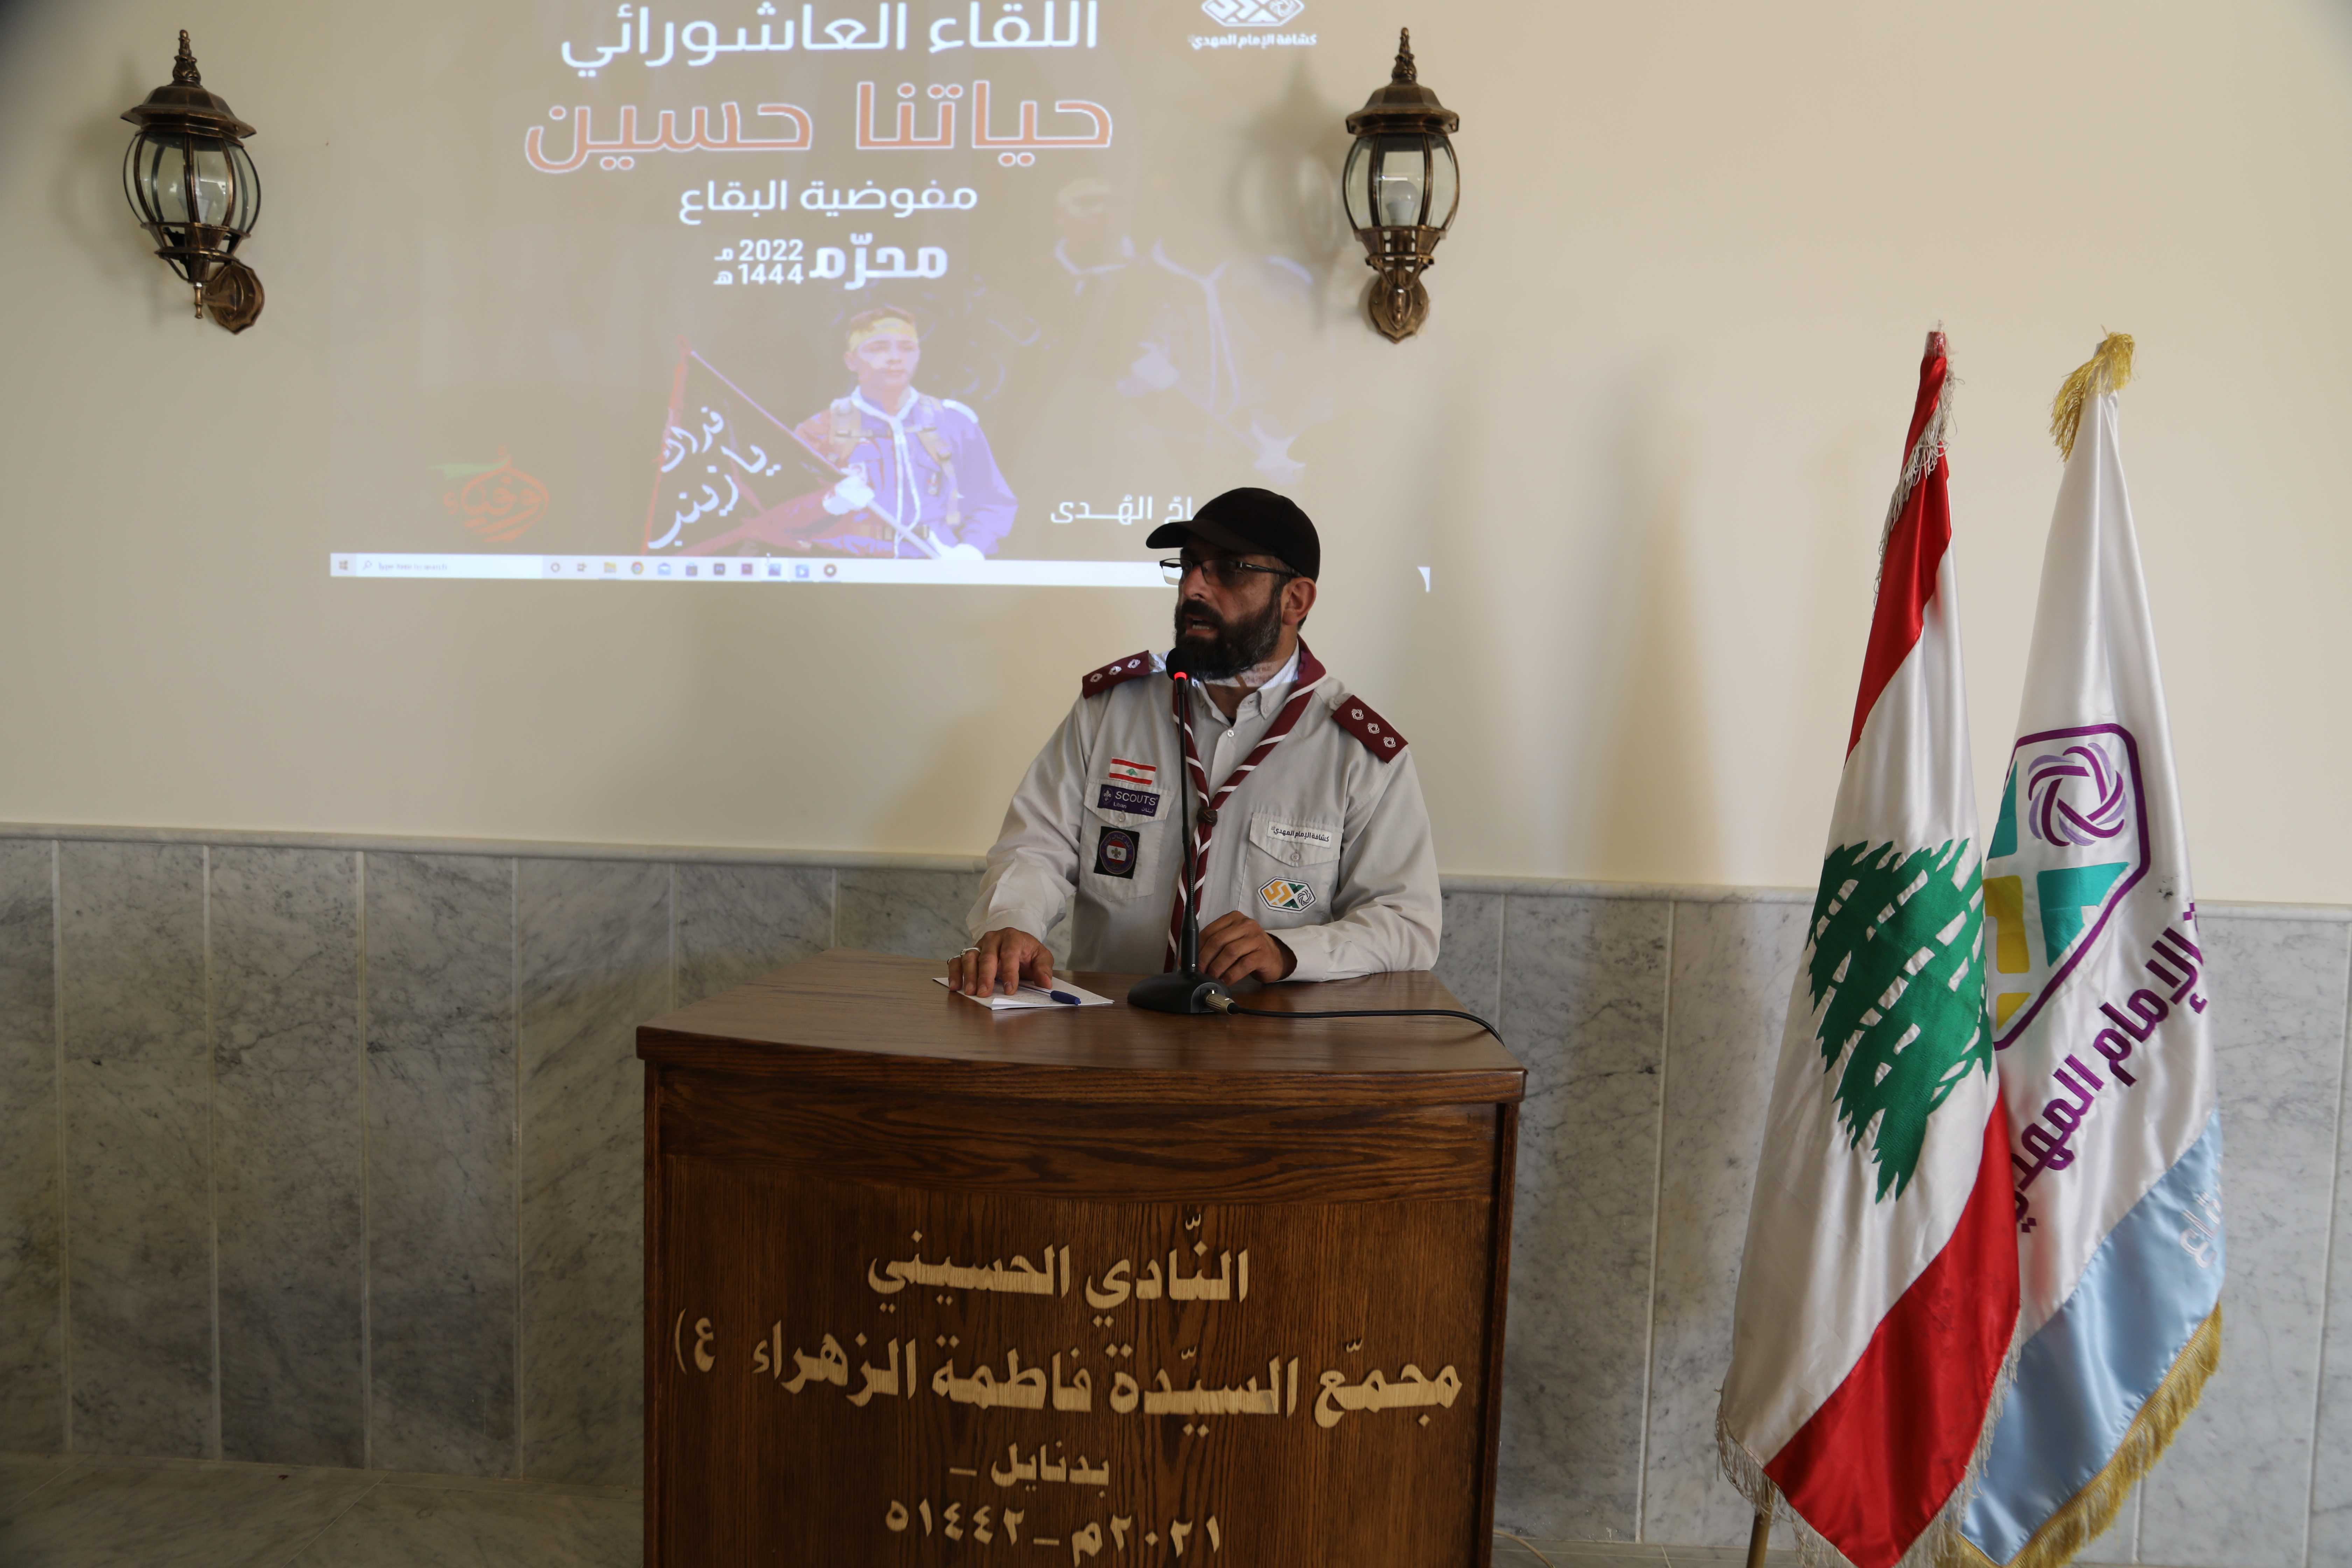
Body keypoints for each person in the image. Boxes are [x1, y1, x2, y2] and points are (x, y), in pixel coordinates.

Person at [951, 487, 1440, 995]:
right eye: (1188, 566)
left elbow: (1407, 922)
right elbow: (1037, 846)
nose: (1193, 589)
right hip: (1110, 1025)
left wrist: (1289, 951)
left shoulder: (1359, 752)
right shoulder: (1112, 709)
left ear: (1295, 600)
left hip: (1265, 1034)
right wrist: (1013, 922)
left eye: (1229, 569)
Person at [793, 306, 1018, 558]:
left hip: (934, 566)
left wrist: (972, 549)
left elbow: (993, 502)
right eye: (878, 348)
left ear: (918, 355)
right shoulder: (818, 431)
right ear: (851, 361)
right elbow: (781, 517)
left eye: (907, 348)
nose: (895, 358)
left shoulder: (953, 423)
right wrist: (828, 504)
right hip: (847, 568)